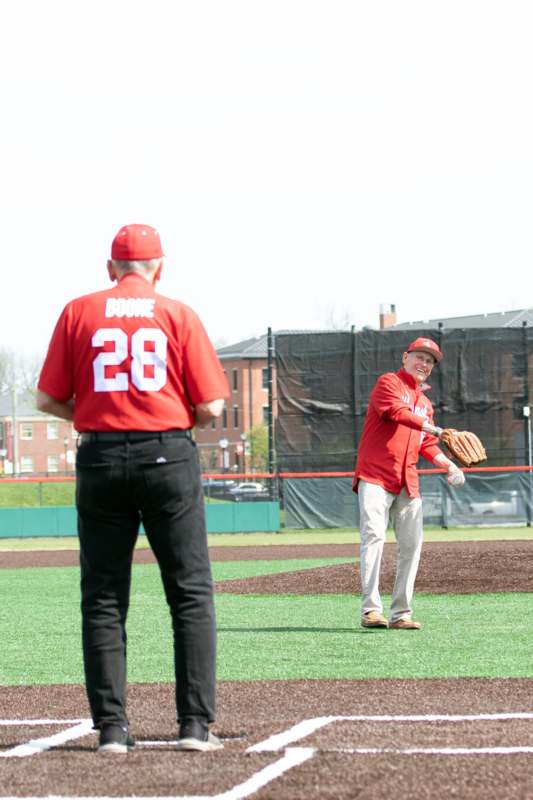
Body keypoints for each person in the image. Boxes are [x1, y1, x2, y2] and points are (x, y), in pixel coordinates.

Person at [37, 224, 229, 753]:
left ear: (110, 268)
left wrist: (98, 414)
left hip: (99, 456)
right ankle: (193, 726)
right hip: (167, 454)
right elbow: (212, 407)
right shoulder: (177, 313)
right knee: (189, 593)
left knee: (102, 597)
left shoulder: (79, 311)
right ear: (159, 268)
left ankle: (113, 730)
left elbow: (47, 399)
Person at [352, 337, 464, 631]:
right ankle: (371, 611)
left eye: (430, 361)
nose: (424, 364)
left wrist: (449, 465)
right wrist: (433, 427)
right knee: (374, 536)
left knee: (412, 546)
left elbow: (426, 443)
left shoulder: (425, 403)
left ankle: (401, 613)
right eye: (420, 357)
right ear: (405, 358)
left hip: (407, 480)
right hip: (375, 475)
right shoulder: (388, 383)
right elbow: (396, 414)